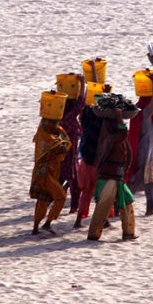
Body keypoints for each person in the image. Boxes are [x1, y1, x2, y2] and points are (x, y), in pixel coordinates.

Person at [87, 107, 137, 241]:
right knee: (103, 207)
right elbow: (123, 133)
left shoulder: (111, 136)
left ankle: (128, 233)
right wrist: (119, 116)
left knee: (127, 202)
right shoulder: (110, 138)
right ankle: (93, 234)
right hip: (109, 177)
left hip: (117, 177)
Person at [74, 85, 112, 229]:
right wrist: (107, 94)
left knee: (87, 191)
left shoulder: (85, 116)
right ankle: (105, 219)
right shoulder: (100, 119)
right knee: (101, 190)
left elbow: (83, 103)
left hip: (86, 158)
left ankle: (79, 220)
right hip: (96, 158)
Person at [126, 73, 153, 216]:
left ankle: (151, 207)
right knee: (136, 182)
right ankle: (120, 206)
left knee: (152, 180)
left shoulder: (138, 112)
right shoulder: (147, 112)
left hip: (146, 152)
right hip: (146, 153)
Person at [30, 118, 72, 235]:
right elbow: (61, 147)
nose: (55, 125)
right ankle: (47, 224)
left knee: (43, 199)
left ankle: (36, 228)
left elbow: (66, 142)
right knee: (60, 197)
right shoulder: (45, 137)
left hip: (48, 171)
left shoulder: (51, 132)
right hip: (45, 173)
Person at [60, 74, 86, 214]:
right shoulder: (69, 118)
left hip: (59, 155)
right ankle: (74, 207)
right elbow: (81, 102)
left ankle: (50, 203)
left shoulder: (57, 118)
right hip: (70, 156)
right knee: (74, 181)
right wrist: (82, 84)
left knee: (60, 178)